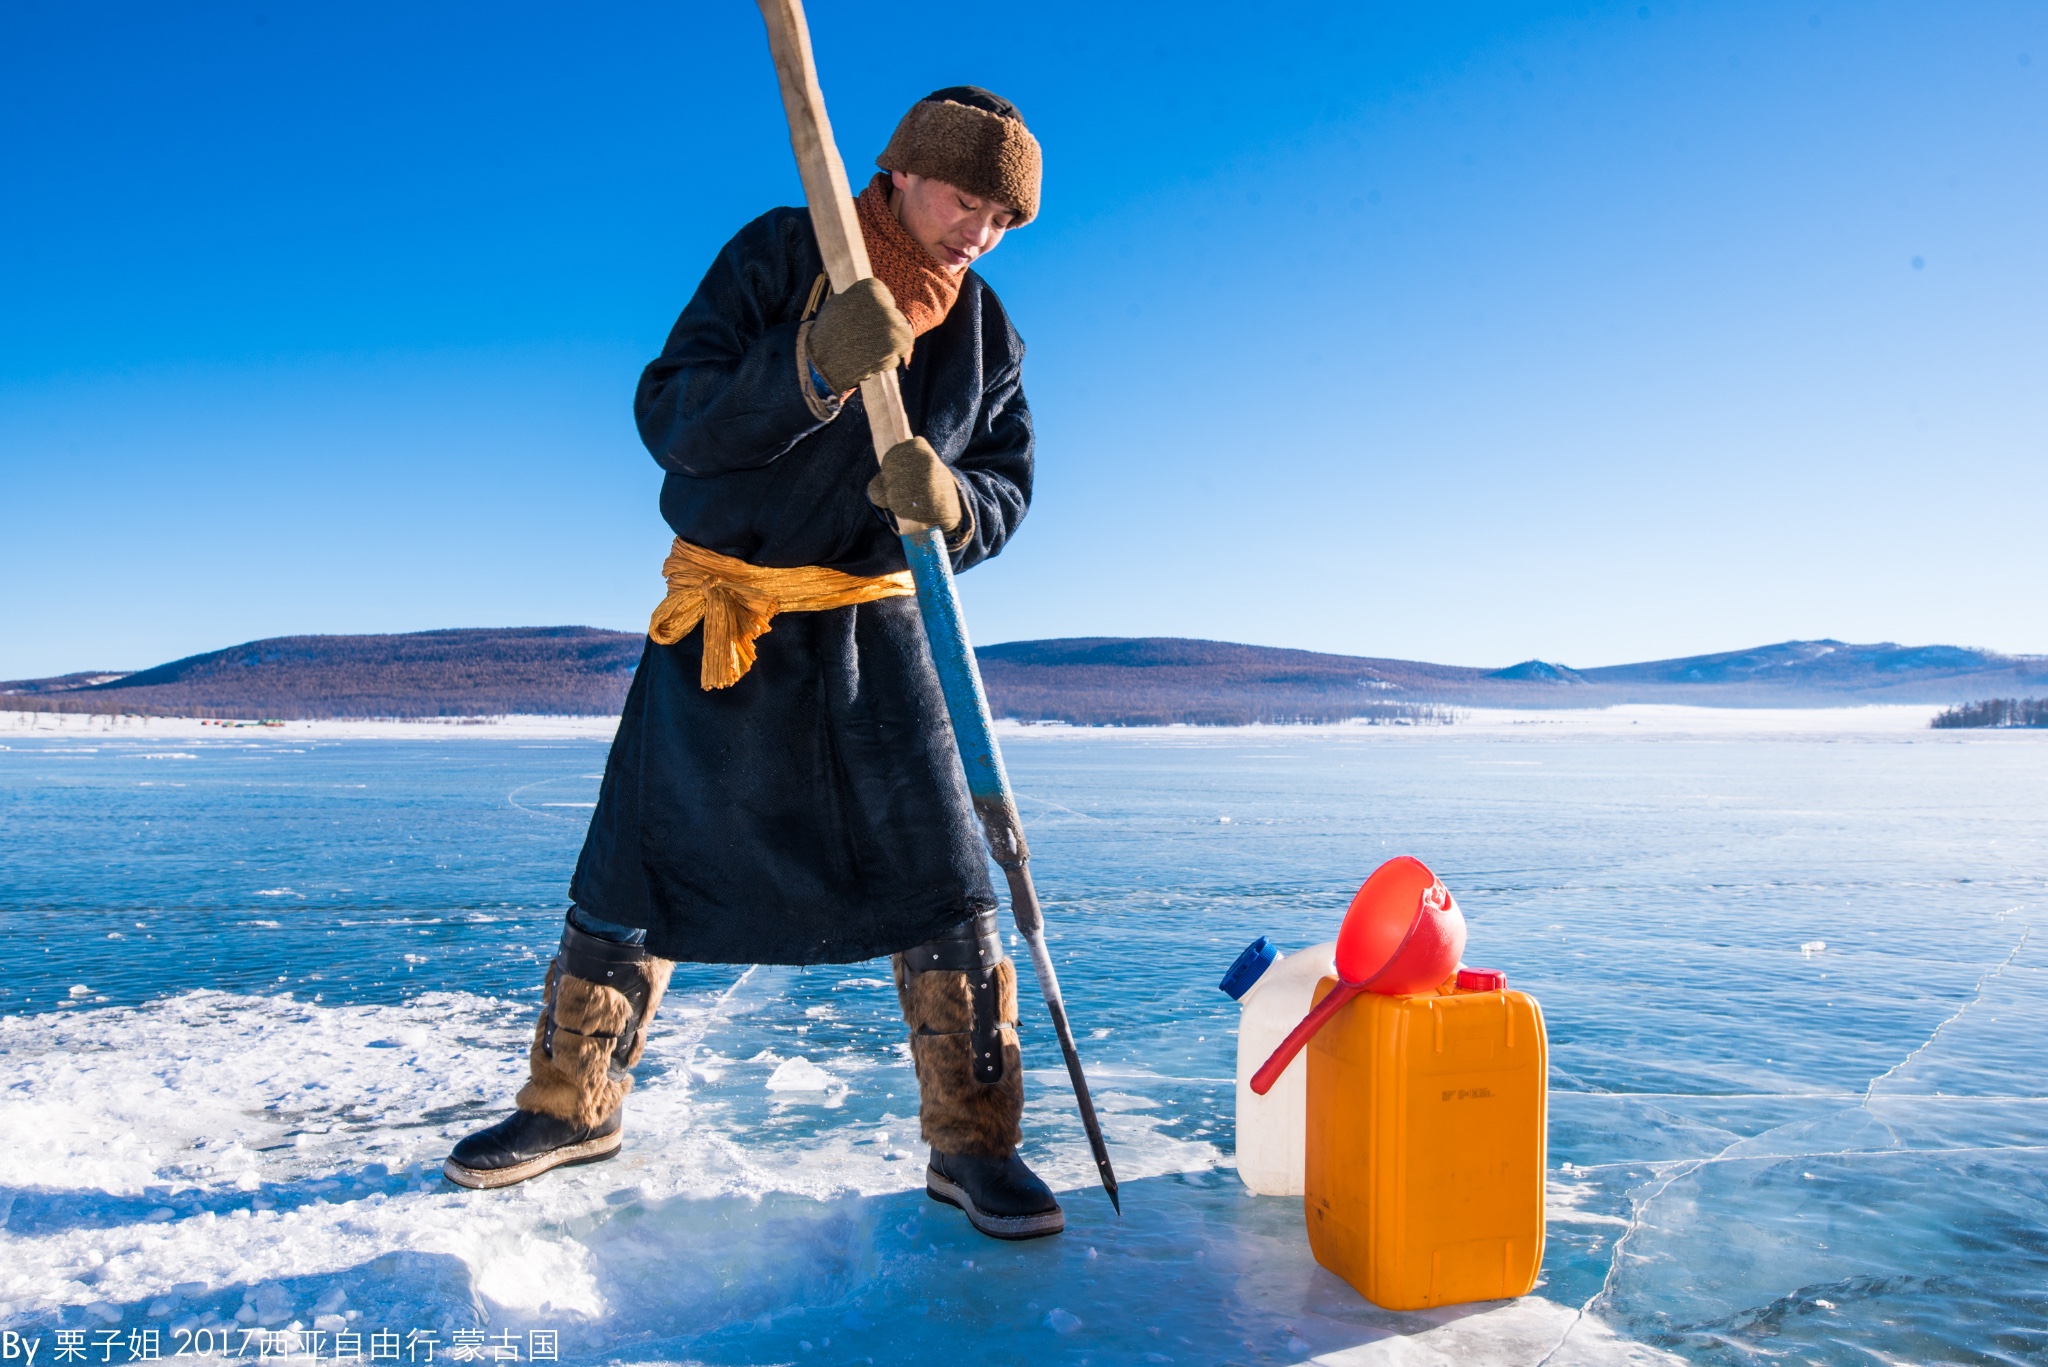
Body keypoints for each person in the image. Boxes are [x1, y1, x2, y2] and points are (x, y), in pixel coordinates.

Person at [444, 87, 1061, 1240]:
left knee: (945, 884)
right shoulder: (782, 251)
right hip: (729, 613)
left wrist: (955, 504)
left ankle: (975, 1146)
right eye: (963, 199)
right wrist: (809, 369)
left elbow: (1009, 485)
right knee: (631, 875)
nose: (977, 231)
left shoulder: (986, 334)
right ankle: (570, 1106)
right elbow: (670, 416)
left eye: (1001, 218)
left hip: (876, 626)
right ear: (897, 170)